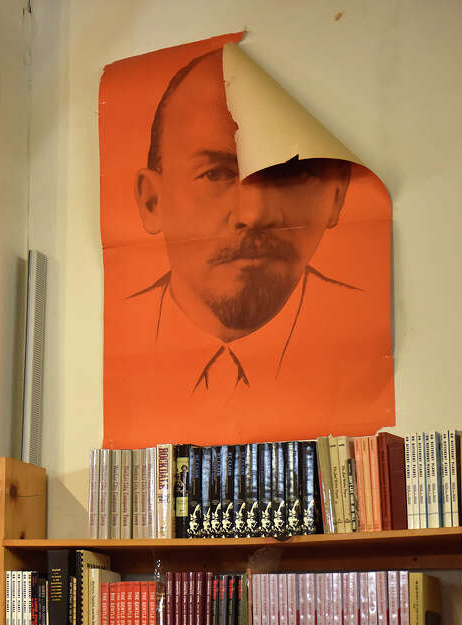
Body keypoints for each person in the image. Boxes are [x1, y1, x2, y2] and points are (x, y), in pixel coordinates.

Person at [102, 45, 391, 446]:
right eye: (216, 174)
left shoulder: (368, 332)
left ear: (337, 197)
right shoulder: (106, 350)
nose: (254, 213)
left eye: (287, 177)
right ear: (152, 201)